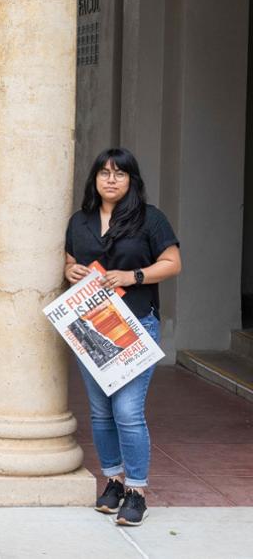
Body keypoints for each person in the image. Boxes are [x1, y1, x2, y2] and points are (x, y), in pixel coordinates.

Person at [64, 147, 181, 526]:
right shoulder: (79, 221)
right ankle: (112, 482)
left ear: (132, 181)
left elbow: (173, 262)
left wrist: (134, 276)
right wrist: (71, 273)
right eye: (104, 172)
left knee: (127, 412)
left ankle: (136, 491)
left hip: (135, 326)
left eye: (120, 173)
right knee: (100, 412)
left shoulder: (151, 219)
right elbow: (69, 261)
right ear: (94, 178)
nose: (110, 179)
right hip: (91, 328)